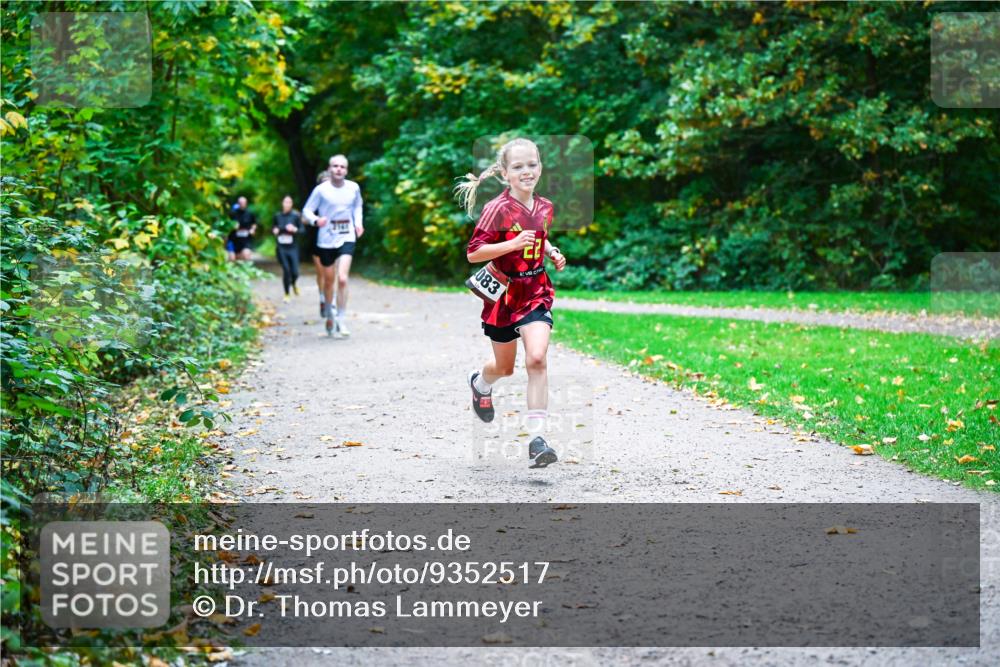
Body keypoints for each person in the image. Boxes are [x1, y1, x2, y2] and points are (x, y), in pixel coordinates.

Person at [456, 138, 567, 469]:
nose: (527, 171)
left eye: (532, 164)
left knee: (537, 359)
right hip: (503, 295)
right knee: (504, 368)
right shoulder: (497, 209)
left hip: (535, 290)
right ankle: (480, 384)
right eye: (518, 166)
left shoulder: (545, 206)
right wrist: (512, 244)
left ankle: (537, 439)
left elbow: (539, 235)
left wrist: (551, 251)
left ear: (540, 167)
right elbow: (474, 253)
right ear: (505, 174)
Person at [301, 154, 364, 337]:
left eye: (342, 167)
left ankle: (341, 319)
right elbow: (307, 210)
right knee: (329, 281)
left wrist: (358, 223)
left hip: (347, 236)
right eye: (335, 166)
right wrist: (316, 220)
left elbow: (358, 206)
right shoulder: (321, 190)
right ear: (329, 169)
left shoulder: (353, 188)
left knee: (342, 278)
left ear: (346, 170)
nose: (338, 169)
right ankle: (330, 313)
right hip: (326, 239)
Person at [302, 171, 331, 316]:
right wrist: (315, 220)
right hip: (317, 240)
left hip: (333, 239)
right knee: (321, 273)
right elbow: (303, 218)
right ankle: (322, 299)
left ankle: (331, 302)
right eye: (323, 182)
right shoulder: (315, 199)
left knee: (331, 274)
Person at [273, 195, 303, 301]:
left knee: (295, 272)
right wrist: (275, 230)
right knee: (286, 270)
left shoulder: (295, 216)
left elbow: (302, 230)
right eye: (285, 202)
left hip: (293, 247)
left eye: (289, 202)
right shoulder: (277, 216)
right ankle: (286, 294)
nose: (287, 204)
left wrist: (295, 229)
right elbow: (274, 227)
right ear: (282, 203)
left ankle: (293, 283)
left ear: (292, 204)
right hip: (281, 247)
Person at [228, 196, 258, 262]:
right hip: (234, 239)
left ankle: (246, 267)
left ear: (246, 203)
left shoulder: (250, 213)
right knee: (232, 259)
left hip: (246, 239)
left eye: (243, 203)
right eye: (240, 203)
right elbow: (227, 224)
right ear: (238, 203)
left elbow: (254, 223)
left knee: (246, 255)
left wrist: (252, 229)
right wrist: (232, 226)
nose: (242, 204)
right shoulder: (232, 213)